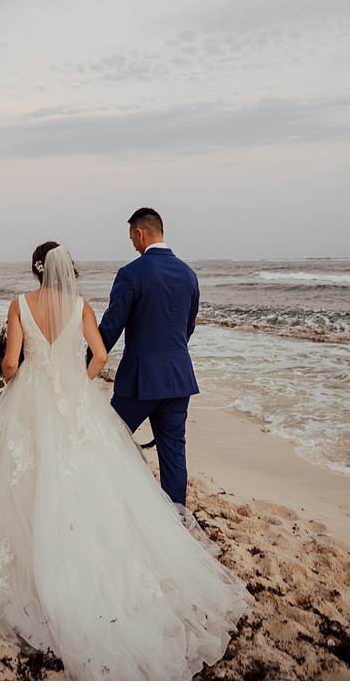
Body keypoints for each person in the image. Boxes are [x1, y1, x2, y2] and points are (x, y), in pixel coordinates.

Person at [0, 242, 250, 680]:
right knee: (103, 469)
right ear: (70, 270)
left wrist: (19, 377)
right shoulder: (83, 304)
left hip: (32, 397)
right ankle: (170, 519)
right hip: (108, 389)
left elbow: (10, 363)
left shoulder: (19, 304)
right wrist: (75, 386)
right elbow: (100, 357)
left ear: (36, 270)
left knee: (26, 467)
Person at [97, 207, 202, 515]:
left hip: (139, 383)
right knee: (174, 455)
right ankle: (175, 520)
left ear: (140, 233)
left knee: (105, 439)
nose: (133, 244)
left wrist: (87, 363)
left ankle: (110, 506)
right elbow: (187, 328)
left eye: (132, 238)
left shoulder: (131, 273)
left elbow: (111, 326)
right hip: (178, 379)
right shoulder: (189, 274)